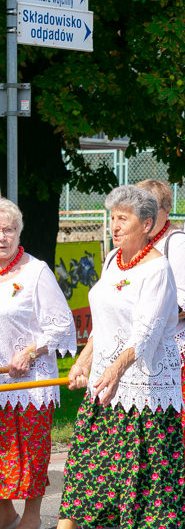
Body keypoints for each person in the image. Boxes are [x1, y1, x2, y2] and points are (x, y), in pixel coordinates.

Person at [58, 186, 184, 528]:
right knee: (83, 475)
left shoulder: (157, 269)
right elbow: (104, 325)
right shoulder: (113, 260)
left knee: (147, 493)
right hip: (105, 386)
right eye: (112, 218)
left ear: (146, 224)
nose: (114, 226)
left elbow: (146, 333)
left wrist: (115, 370)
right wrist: (83, 361)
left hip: (145, 393)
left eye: (123, 219)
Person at [0, 199, 76, 529]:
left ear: (19, 232)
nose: (3, 236)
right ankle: (6, 516)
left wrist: (29, 352)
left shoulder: (36, 271)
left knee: (31, 455)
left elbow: (61, 324)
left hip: (31, 383)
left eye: (9, 229)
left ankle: (31, 519)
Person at [137, 179, 185, 485]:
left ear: (164, 211)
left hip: (180, 345)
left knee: (179, 415)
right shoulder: (140, 244)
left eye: (147, 211)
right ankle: (164, 469)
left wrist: (155, 315)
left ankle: (178, 469)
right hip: (150, 342)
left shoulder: (176, 242)